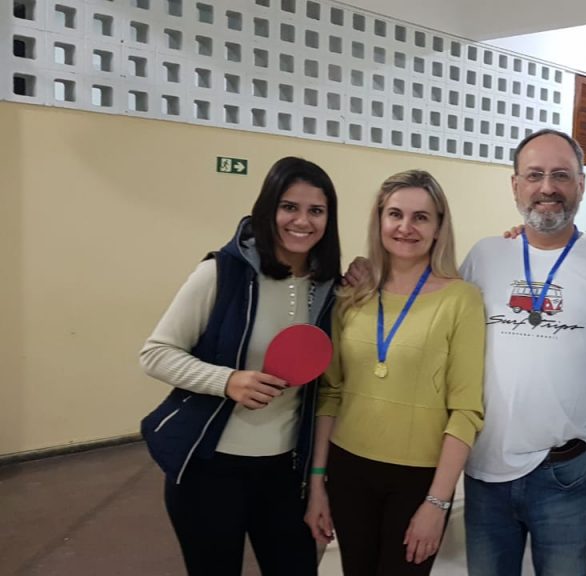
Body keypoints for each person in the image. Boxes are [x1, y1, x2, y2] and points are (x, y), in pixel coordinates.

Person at [139, 156, 342, 575]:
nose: (302, 221)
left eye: (316, 210)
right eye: (289, 207)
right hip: (209, 470)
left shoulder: (330, 289)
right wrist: (227, 380)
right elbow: (156, 353)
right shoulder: (220, 273)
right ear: (268, 209)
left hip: (286, 473)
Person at [459, 129, 586, 576]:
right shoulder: (484, 256)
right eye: (534, 175)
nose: (547, 187)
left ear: (581, 184)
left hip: (566, 474)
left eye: (561, 175)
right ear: (515, 186)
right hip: (484, 472)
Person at [305, 170, 485, 575]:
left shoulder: (462, 299)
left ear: (438, 227)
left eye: (421, 217)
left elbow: (466, 410)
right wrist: (318, 483)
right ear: (380, 220)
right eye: (395, 214)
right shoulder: (352, 292)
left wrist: (437, 503)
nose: (406, 227)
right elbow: (331, 393)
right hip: (348, 469)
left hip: (417, 480)